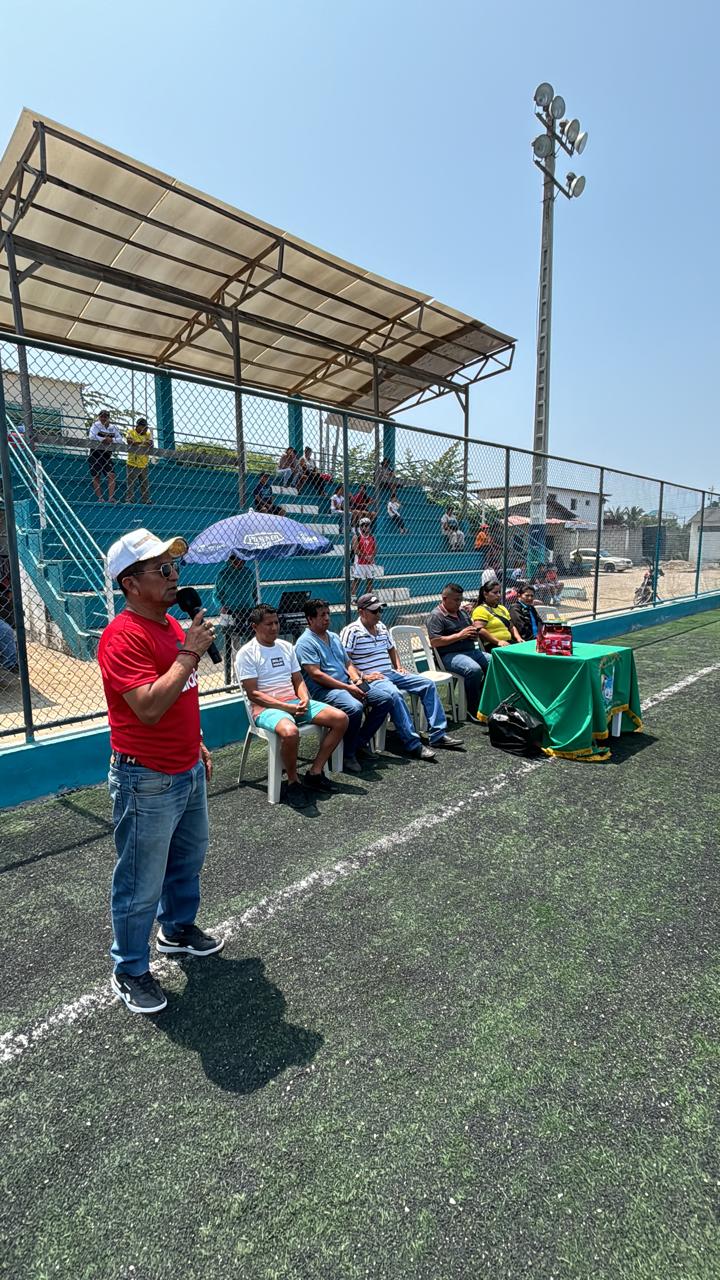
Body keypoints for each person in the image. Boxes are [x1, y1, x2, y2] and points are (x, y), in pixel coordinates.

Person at [98, 528, 222, 1016]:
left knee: (187, 860)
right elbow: (148, 708)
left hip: (185, 766)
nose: (174, 576)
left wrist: (196, 742)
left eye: (175, 567)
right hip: (145, 777)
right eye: (163, 569)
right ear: (130, 584)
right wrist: (190, 653)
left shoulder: (171, 625)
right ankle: (130, 968)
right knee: (140, 881)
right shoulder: (122, 636)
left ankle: (177, 930)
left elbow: (181, 695)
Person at [236, 604, 348, 809]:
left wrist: (304, 698)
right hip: (265, 709)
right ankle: (293, 782)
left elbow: (298, 680)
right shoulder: (246, 653)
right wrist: (286, 708)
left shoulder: (286, 647)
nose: (274, 628)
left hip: (294, 703)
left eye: (276, 622)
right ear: (254, 626)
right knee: (290, 732)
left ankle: (315, 772)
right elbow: (254, 694)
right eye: (268, 624)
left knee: (340, 719)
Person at [341, 594, 465, 758]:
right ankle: (413, 744)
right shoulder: (351, 631)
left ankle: (438, 734)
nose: (378, 614)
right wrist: (364, 676)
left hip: (391, 673)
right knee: (395, 694)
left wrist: (398, 666)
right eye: (374, 611)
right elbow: (345, 660)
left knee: (427, 684)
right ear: (361, 612)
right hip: (374, 678)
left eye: (380, 610)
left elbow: (391, 648)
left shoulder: (381, 627)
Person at [295, 598, 395, 773]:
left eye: (328, 614)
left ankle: (358, 742)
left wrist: (356, 680)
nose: (327, 618)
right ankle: (348, 754)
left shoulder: (333, 637)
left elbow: (348, 662)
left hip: (347, 683)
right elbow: (316, 675)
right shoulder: (305, 643)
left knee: (385, 699)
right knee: (354, 707)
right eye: (322, 615)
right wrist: (348, 688)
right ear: (310, 619)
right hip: (325, 690)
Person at [427, 583, 488, 721]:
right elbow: (435, 642)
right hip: (448, 655)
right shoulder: (436, 616)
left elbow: (469, 631)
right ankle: (472, 708)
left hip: (470, 651)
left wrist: (473, 634)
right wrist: (460, 635)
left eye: (460, 599)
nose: (459, 603)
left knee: (495, 663)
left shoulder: (462, 613)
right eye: (456, 600)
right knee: (474, 670)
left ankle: (483, 700)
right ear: (444, 598)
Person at [214, 553, 257, 683]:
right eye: (234, 558)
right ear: (229, 559)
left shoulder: (249, 573)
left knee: (251, 642)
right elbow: (216, 595)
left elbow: (254, 592)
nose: (237, 561)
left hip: (247, 609)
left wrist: (254, 605)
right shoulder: (223, 574)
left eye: (240, 558)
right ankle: (235, 677)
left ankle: (251, 672)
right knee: (233, 644)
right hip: (229, 611)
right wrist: (221, 607)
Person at [471, 577, 522, 648]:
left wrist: (519, 638)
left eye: (499, 592)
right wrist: (498, 641)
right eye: (495, 593)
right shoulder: (480, 610)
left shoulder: (502, 608)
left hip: (508, 643)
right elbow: (480, 629)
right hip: (493, 645)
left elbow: (511, 627)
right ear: (485, 594)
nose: (498, 595)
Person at [88, 410, 124, 503]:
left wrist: (111, 440)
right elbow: (91, 436)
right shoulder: (95, 425)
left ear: (108, 418)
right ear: (99, 417)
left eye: (105, 417)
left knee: (111, 474)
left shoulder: (113, 428)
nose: (103, 418)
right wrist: (103, 439)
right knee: (96, 475)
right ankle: (100, 498)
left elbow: (120, 439)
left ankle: (111, 497)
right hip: (96, 452)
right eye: (102, 417)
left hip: (107, 454)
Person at [351, 516, 383, 598]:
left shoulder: (372, 537)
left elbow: (375, 548)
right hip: (360, 562)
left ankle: (367, 598)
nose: (367, 527)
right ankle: (353, 598)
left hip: (370, 562)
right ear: (361, 527)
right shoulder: (357, 536)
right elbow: (356, 550)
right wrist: (366, 557)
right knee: (357, 580)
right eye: (365, 525)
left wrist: (372, 557)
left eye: (368, 525)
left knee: (370, 580)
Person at [125, 416, 153, 504]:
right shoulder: (131, 432)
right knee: (131, 484)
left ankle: (146, 500)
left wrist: (137, 443)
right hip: (132, 462)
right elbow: (130, 442)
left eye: (146, 427)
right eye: (144, 427)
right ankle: (130, 500)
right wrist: (144, 443)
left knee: (145, 484)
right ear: (138, 426)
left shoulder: (147, 434)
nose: (146, 429)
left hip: (144, 463)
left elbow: (151, 444)